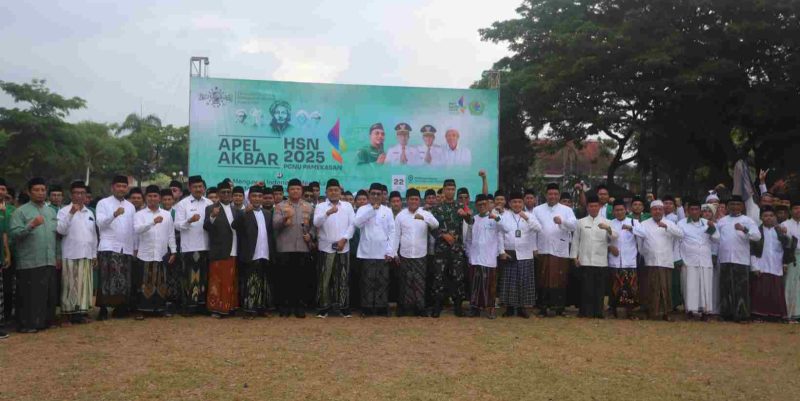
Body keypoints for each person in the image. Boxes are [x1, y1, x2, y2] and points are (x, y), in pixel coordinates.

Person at [9, 178, 58, 333]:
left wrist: (57, 256)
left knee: (46, 294)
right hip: (29, 260)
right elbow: (14, 234)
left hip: (48, 259)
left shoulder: (50, 211)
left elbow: (55, 236)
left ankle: (44, 322)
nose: (40, 193)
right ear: (29, 192)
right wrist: (31, 225)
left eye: (43, 190)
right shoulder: (21, 212)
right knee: (29, 295)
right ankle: (26, 324)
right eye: (36, 190)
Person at [632, 200, 685, 321]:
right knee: (650, 287)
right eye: (655, 209)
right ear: (651, 211)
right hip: (650, 261)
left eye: (660, 209)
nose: (657, 211)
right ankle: (651, 312)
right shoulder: (644, 223)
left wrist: (667, 227)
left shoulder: (670, 223)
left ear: (663, 210)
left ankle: (665, 312)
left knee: (665, 288)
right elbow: (640, 243)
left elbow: (681, 234)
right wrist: (645, 254)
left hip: (666, 261)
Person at [391, 188, 439, 317]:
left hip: (420, 254)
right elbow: (396, 235)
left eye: (416, 199)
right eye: (411, 199)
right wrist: (394, 252)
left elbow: (436, 225)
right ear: (407, 200)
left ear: (419, 200)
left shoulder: (425, 213)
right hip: (405, 254)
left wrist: (424, 218)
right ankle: (403, 307)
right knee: (404, 281)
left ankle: (420, 308)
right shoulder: (401, 215)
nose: (413, 201)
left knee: (419, 282)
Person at [312, 179, 355, 318]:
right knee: (325, 278)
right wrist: (328, 213)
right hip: (325, 248)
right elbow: (316, 223)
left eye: (336, 190)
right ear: (326, 192)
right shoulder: (321, 206)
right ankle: (324, 307)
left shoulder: (348, 206)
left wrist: (344, 239)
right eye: (331, 190)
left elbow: (352, 225)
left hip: (343, 246)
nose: (334, 192)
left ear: (340, 191)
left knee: (342, 278)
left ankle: (343, 307)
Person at [272, 178, 315, 318]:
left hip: (302, 248)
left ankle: (299, 307)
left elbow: (315, 226)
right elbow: (274, 225)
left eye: (298, 189)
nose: (295, 191)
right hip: (285, 247)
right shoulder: (280, 206)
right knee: (285, 279)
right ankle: (285, 307)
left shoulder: (309, 207)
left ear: (301, 191)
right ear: (288, 191)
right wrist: (284, 220)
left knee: (301, 279)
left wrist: (311, 234)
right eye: (292, 189)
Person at [96, 175, 136, 320]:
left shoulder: (131, 206)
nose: (121, 189)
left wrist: (134, 248)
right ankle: (103, 309)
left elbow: (133, 229)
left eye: (124, 186)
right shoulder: (103, 203)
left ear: (127, 188)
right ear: (112, 187)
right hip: (109, 246)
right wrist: (114, 215)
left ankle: (120, 308)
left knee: (123, 279)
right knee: (106, 278)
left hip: (125, 247)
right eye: (118, 186)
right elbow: (100, 223)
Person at [533, 183, 577, 317]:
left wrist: (562, 221)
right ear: (546, 195)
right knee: (543, 278)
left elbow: (574, 225)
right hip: (543, 249)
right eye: (550, 194)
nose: (552, 196)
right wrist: (534, 248)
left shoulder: (566, 210)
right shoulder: (537, 210)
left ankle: (559, 308)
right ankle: (543, 308)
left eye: (555, 194)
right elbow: (533, 230)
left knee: (560, 279)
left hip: (560, 250)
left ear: (558, 195)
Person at [55, 181, 96, 324]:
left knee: (84, 287)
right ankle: (66, 315)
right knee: (69, 286)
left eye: (82, 193)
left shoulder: (89, 212)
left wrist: (94, 254)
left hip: (86, 254)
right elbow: (60, 230)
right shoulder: (64, 211)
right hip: (70, 254)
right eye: (76, 193)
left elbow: (93, 235)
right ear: (71, 194)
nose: (79, 196)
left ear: (86, 195)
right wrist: (71, 213)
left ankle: (80, 314)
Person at [132, 185, 176, 319]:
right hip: (145, 254)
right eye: (150, 196)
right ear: (146, 198)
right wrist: (152, 222)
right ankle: (141, 310)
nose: (152, 198)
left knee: (161, 282)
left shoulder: (167, 214)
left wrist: (173, 251)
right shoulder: (139, 214)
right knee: (143, 282)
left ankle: (159, 309)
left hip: (161, 253)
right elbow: (137, 229)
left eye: (155, 196)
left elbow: (170, 234)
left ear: (160, 198)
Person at [430, 179, 472, 318]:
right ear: (443, 190)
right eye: (447, 189)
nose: (450, 191)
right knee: (438, 277)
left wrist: (466, 214)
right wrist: (443, 235)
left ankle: (458, 306)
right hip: (441, 249)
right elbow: (431, 229)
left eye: (452, 189)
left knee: (458, 277)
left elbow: (471, 221)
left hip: (456, 249)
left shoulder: (461, 206)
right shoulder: (436, 208)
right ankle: (437, 306)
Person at [571, 194, 617, 318]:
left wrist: (608, 229)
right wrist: (574, 257)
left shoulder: (607, 222)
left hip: (601, 260)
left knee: (599, 289)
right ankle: (584, 312)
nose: (593, 208)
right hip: (585, 260)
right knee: (585, 288)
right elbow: (576, 240)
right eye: (591, 206)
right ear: (587, 207)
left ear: (599, 207)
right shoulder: (580, 222)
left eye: (596, 206)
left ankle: (598, 312)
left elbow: (614, 237)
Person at [717, 195, 761, 322]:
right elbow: (716, 238)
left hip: (741, 260)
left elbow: (757, 237)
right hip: (725, 259)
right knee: (725, 288)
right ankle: (726, 314)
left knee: (741, 289)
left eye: (737, 204)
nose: (735, 207)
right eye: (732, 204)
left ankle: (742, 315)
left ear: (742, 206)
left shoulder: (747, 220)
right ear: (728, 206)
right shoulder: (722, 221)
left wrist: (744, 229)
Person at [497, 191, 541, 318]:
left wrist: (526, 218)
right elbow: (499, 234)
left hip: (525, 254)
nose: (517, 204)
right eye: (514, 202)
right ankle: (510, 308)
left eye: (519, 202)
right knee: (509, 282)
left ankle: (523, 308)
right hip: (509, 253)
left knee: (524, 282)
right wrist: (501, 252)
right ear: (510, 204)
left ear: (523, 203)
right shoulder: (504, 215)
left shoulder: (529, 215)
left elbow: (538, 228)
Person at [354, 183, 395, 317]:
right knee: (367, 281)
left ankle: (381, 307)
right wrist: (372, 210)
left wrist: (390, 251)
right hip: (367, 252)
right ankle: (366, 308)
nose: (376, 196)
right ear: (369, 195)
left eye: (379, 194)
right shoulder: (362, 209)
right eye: (373, 194)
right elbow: (357, 223)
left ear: (382, 195)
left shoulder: (387, 210)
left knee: (382, 281)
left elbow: (392, 232)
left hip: (383, 252)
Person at [174, 175, 213, 315]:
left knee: (204, 277)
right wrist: (189, 221)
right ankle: (189, 307)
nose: (198, 189)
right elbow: (177, 226)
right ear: (190, 188)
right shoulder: (182, 204)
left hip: (206, 246)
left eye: (200, 187)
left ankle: (202, 306)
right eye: (195, 187)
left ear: (204, 188)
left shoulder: (209, 203)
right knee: (189, 277)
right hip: (189, 247)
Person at [233, 186, 274, 318]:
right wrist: (245, 212)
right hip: (250, 253)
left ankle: (261, 308)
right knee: (250, 281)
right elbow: (235, 226)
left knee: (263, 282)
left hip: (265, 252)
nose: (257, 198)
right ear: (249, 198)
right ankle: (249, 309)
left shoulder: (267, 214)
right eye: (254, 196)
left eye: (259, 196)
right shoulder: (243, 212)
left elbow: (270, 234)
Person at [677, 199, 720, 320]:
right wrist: (679, 258)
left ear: (700, 211)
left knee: (706, 285)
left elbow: (717, 239)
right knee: (690, 286)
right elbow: (678, 241)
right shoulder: (681, 223)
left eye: (697, 209)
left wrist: (712, 229)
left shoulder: (707, 223)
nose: (694, 211)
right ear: (688, 211)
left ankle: (705, 311)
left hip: (705, 259)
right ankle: (690, 310)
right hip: (689, 259)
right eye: (692, 209)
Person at [203, 182, 240, 318]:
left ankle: (230, 307)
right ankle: (216, 308)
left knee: (231, 281)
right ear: (218, 194)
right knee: (217, 280)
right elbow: (206, 226)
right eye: (223, 192)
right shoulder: (211, 208)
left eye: (228, 192)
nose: (225, 195)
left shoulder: (236, 210)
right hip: (219, 251)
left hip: (234, 249)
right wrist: (212, 216)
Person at [465, 194, 504, 319]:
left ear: (488, 205)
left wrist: (497, 218)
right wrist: (469, 254)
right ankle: (475, 308)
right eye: (479, 204)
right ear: (476, 206)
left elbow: (506, 229)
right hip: (475, 258)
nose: (482, 206)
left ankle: (491, 308)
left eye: (484, 204)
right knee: (475, 285)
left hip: (489, 258)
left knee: (490, 285)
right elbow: (469, 238)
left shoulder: (495, 218)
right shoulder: (473, 219)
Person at [750, 206, 791, 321]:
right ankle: (759, 315)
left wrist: (785, 263)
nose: (768, 218)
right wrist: (754, 266)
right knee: (760, 291)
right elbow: (752, 250)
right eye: (765, 216)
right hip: (761, 265)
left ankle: (775, 316)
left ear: (775, 217)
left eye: (771, 216)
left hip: (776, 265)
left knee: (776, 292)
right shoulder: (757, 232)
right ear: (761, 218)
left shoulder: (780, 230)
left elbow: (787, 246)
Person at [608, 199, 640, 319]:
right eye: (617, 210)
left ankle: (630, 312)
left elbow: (644, 234)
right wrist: (609, 247)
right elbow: (603, 239)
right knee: (614, 287)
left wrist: (631, 228)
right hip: (615, 261)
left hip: (629, 261)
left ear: (626, 210)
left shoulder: (633, 221)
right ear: (613, 212)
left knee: (630, 288)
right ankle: (613, 310)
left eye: (621, 209)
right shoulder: (610, 223)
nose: (619, 212)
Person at [781, 200, 800, 322]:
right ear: (790, 211)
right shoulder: (785, 224)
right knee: (790, 284)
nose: (798, 211)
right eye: (796, 208)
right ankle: (789, 313)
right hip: (791, 256)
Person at [0, 178, 14, 338]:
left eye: (3, 189)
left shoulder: (4, 212)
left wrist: (7, 253)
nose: (1, 192)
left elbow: (4, 235)